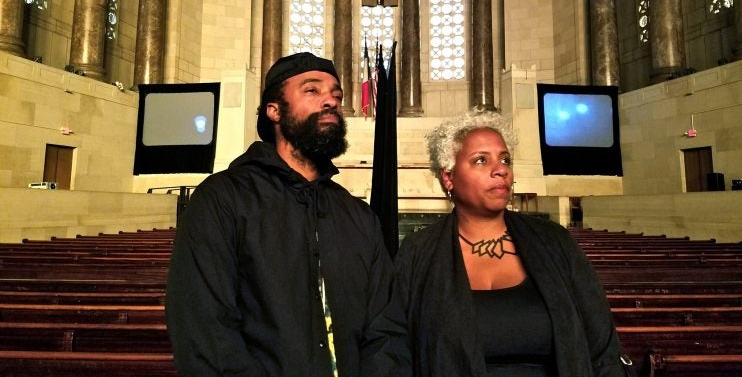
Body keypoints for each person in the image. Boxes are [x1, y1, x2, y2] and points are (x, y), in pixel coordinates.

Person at [166, 52, 410, 377]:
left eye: (336, 95)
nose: (330, 101)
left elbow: (385, 330)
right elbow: (206, 331)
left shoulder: (359, 216)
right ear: (274, 110)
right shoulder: (222, 199)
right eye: (312, 90)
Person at [394, 110, 632, 376]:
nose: (501, 170)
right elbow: (399, 349)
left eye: (505, 159)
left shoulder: (555, 242)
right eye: (481, 160)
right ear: (448, 177)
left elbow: (602, 346)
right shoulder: (418, 252)